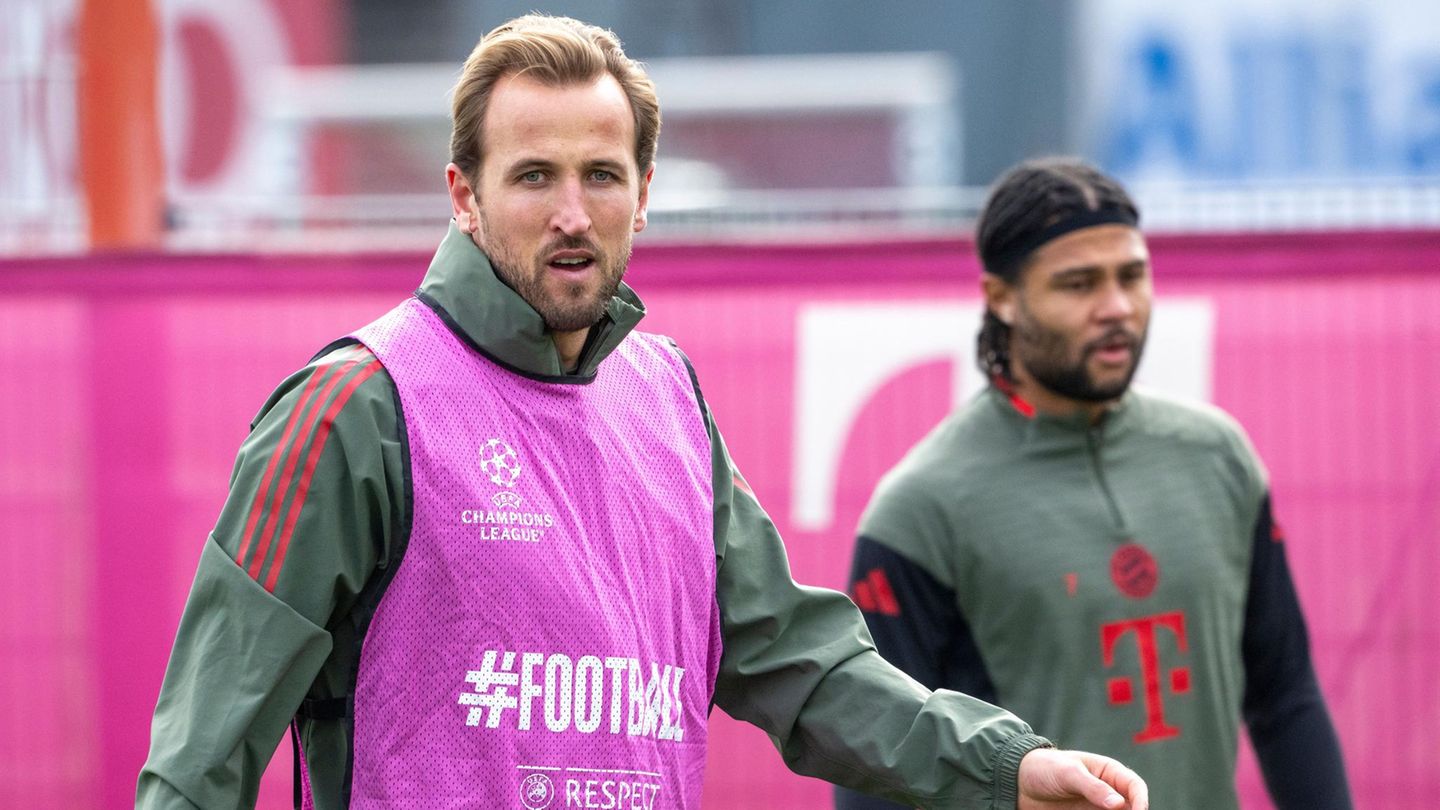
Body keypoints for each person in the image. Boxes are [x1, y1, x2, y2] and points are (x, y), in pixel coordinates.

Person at [136, 17, 1149, 810]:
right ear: (463, 194)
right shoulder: (355, 407)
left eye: (600, 175)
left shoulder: (667, 398)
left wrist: (1001, 769)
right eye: (534, 176)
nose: (572, 213)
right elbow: (202, 755)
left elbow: (801, 662)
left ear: (644, 192)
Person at [834, 158, 1353, 810]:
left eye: (1132, 276)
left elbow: (1286, 697)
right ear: (1001, 298)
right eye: (1078, 284)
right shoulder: (921, 508)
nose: (1116, 308)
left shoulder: (1218, 456)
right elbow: (878, 768)